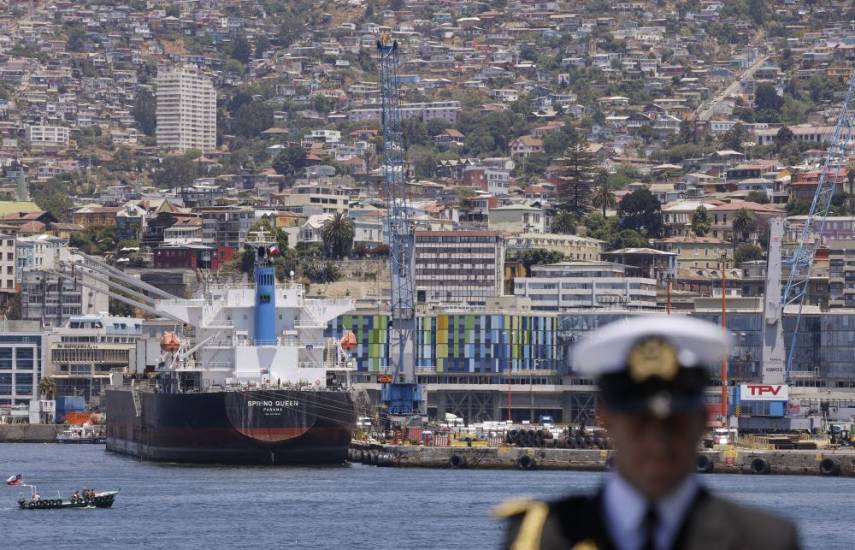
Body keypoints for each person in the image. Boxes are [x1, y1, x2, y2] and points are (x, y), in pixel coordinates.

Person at [496, 316, 800, 550]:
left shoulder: (765, 541)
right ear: (606, 421)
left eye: (673, 423)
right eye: (640, 423)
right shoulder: (543, 538)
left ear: (702, 421)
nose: (658, 442)